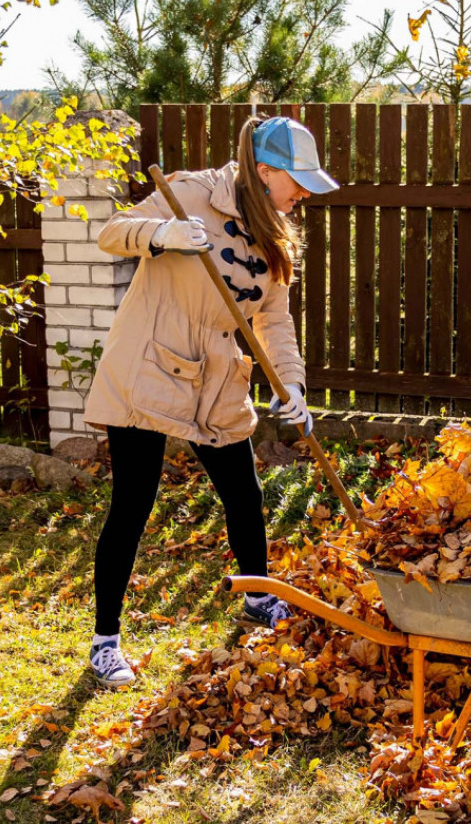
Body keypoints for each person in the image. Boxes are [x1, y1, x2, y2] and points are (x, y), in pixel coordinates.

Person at [80, 116, 339, 687]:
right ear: (264, 171)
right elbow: (112, 231)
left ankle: (257, 599)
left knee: (244, 496)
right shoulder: (190, 192)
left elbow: (274, 316)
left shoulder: (274, 227)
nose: (302, 195)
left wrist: (291, 384)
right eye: (296, 182)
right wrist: (163, 235)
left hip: (219, 378)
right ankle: (105, 642)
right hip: (149, 365)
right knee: (133, 503)